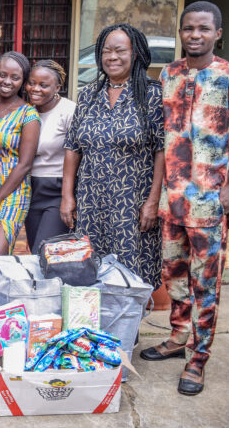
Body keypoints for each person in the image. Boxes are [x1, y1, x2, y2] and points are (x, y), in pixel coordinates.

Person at [140, 1, 229, 396]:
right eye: (188, 28)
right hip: (171, 200)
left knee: (205, 282)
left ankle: (198, 358)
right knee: (174, 274)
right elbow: (163, 140)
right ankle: (178, 337)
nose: (194, 35)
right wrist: (155, 194)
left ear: (217, 34)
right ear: (181, 33)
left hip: (209, 202)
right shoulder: (169, 74)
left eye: (203, 28)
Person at [61, 24, 165, 288]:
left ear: (136, 53)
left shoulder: (152, 96)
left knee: (130, 277)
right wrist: (67, 196)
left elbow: (161, 151)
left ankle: (129, 330)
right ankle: (94, 329)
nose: (112, 57)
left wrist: (153, 202)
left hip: (132, 204)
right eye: (106, 51)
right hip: (90, 202)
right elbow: (73, 147)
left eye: (120, 51)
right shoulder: (87, 95)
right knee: (89, 274)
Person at [0, 52, 40, 256]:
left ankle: (0, 288)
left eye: (15, 78)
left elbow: (25, 164)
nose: (7, 81)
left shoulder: (28, 114)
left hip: (12, 192)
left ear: (23, 82)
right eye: (2, 74)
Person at [24, 60, 75, 253]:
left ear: (57, 88)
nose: (35, 89)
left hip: (57, 190)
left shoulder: (69, 111)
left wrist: (68, 197)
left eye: (43, 85)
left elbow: (78, 153)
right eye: (31, 82)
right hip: (31, 189)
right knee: (34, 250)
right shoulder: (26, 111)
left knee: (45, 251)